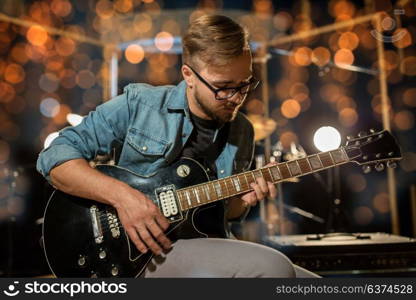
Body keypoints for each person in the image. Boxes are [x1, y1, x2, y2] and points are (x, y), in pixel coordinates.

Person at [37, 14, 318, 278]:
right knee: (274, 267)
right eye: (223, 87)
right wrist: (124, 198)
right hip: (137, 252)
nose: (236, 98)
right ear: (189, 75)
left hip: (202, 246)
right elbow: (54, 159)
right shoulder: (141, 104)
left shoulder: (242, 130)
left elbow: (221, 216)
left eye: (244, 85)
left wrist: (241, 201)